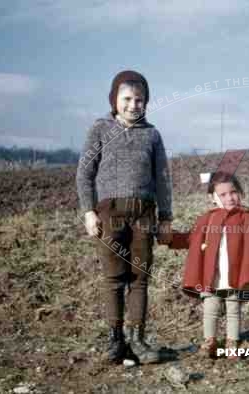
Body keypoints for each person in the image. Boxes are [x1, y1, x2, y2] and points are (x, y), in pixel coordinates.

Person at [76, 70, 173, 364]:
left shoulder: (152, 134)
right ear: (114, 99)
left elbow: (163, 178)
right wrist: (89, 211)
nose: (133, 105)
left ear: (146, 102)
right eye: (127, 99)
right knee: (114, 278)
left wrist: (166, 217)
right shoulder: (100, 129)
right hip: (109, 214)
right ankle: (115, 340)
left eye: (139, 99)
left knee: (140, 278)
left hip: (144, 215)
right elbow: (84, 173)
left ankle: (138, 340)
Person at [168, 171, 249, 360]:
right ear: (213, 198)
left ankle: (231, 343)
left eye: (233, 192)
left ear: (240, 193)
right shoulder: (207, 219)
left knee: (233, 309)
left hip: (236, 276)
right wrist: (169, 237)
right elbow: (191, 238)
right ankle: (210, 341)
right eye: (223, 194)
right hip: (211, 276)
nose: (230, 197)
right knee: (210, 308)